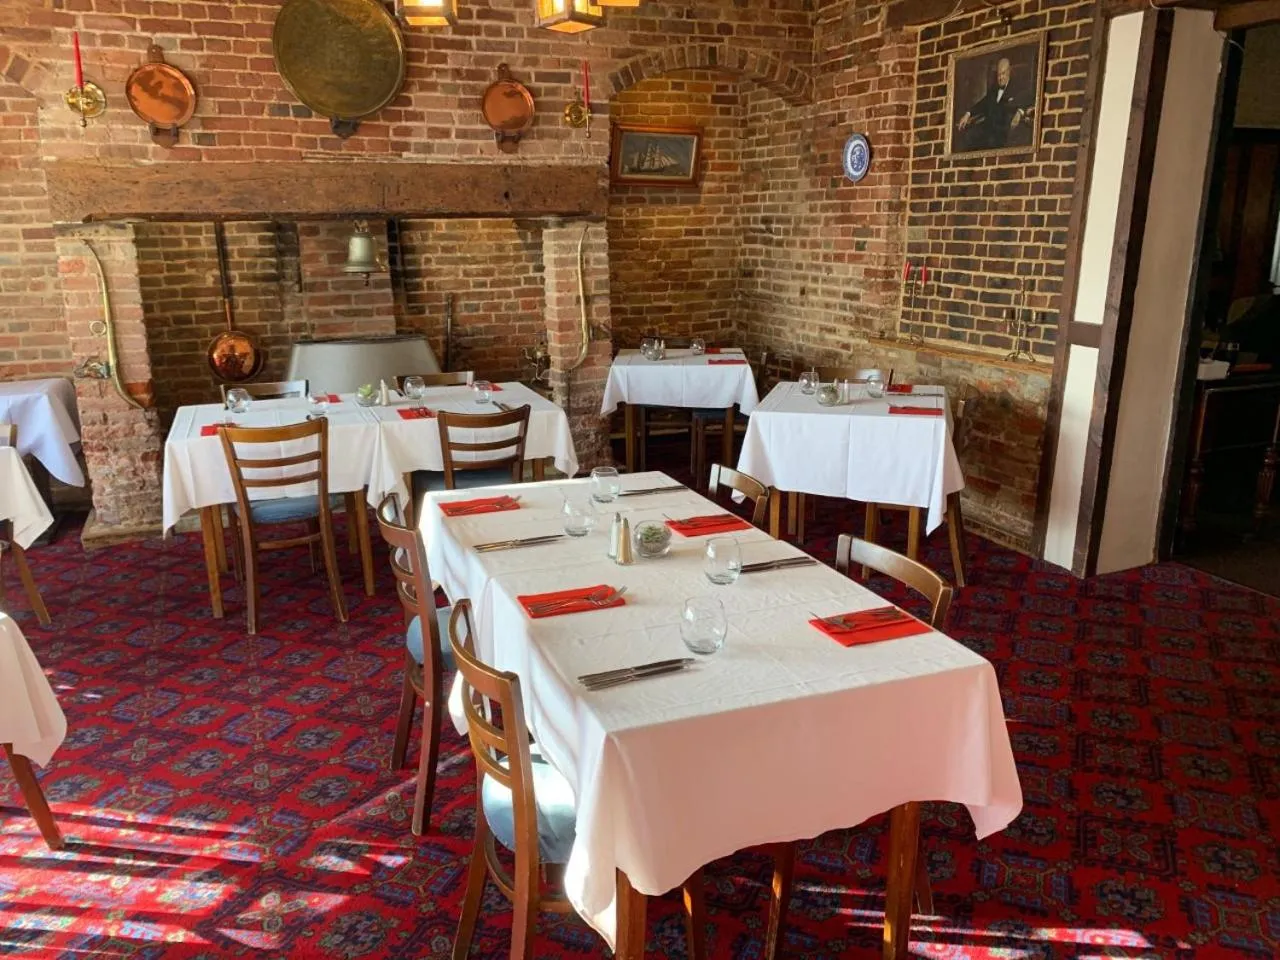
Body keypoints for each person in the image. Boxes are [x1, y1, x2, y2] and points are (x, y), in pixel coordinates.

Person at [956, 57, 1030, 151]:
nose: (1000, 78)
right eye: (999, 75)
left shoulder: (1017, 87)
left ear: (1009, 72)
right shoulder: (994, 89)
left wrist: (1020, 112)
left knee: (989, 143)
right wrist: (968, 114)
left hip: (1003, 130)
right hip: (988, 127)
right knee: (967, 136)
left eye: (1003, 74)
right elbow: (983, 103)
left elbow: (1027, 98)